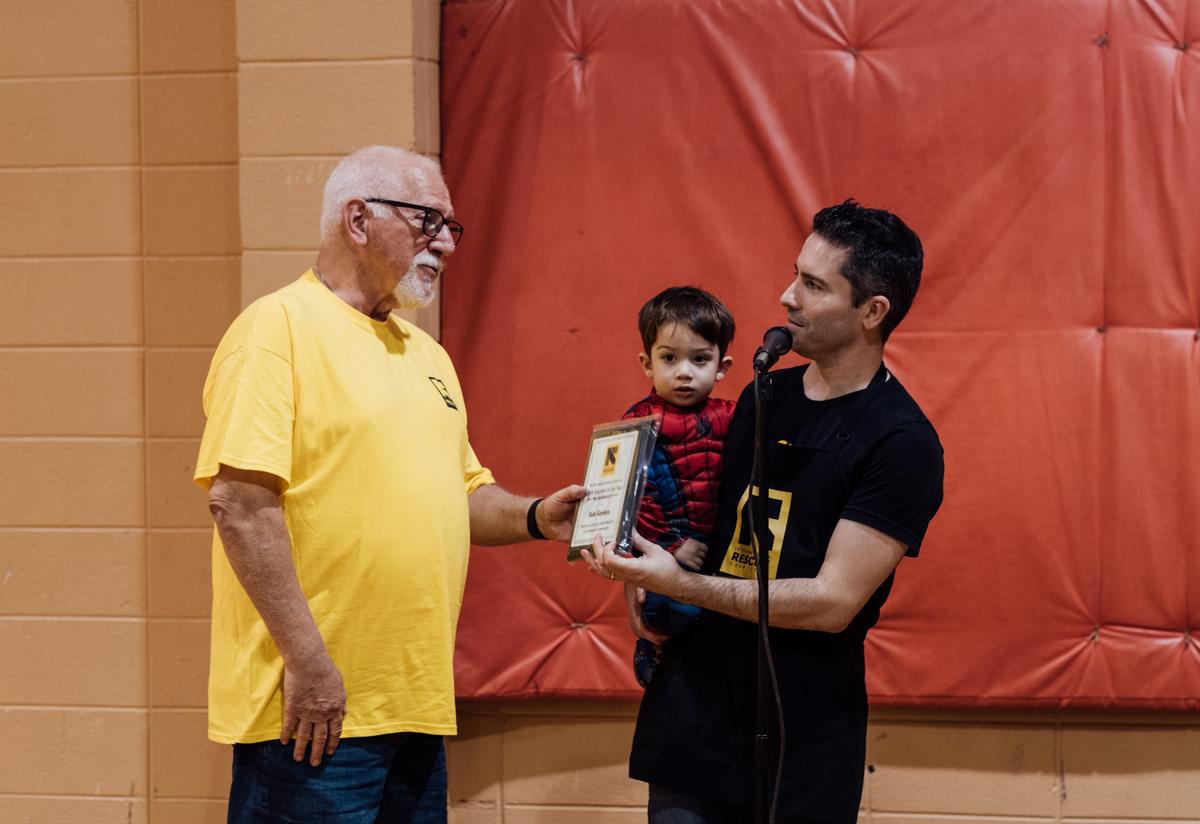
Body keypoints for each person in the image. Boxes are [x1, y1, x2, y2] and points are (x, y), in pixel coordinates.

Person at [195, 145, 585, 824]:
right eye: (428, 222)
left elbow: (459, 495)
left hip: (411, 705)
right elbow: (240, 507)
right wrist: (310, 664)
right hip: (312, 711)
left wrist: (535, 517)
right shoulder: (275, 331)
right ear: (357, 219)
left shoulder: (426, 356)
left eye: (450, 228)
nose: (445, 246)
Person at [584, 200, 945, 823]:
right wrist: (638, 580)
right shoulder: (763, 392)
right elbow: (696, 517)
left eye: (812, 285)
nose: (786, 297)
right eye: (793, 274)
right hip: (694, 707)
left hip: (802, 728)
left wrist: (685, 585)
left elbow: (833, 603)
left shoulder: (901, 442)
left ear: (872, 311)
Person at [621, 286, 736, 686]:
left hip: (717, 551)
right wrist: (671, 546)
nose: (684, 371)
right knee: (671, 615)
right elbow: (635, 500)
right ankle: (654, 649)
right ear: (647, 363)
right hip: (667, 547)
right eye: (669, 358)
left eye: (700, 359)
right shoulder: (639, 421)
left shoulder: (733, 416)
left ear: (722, 366)